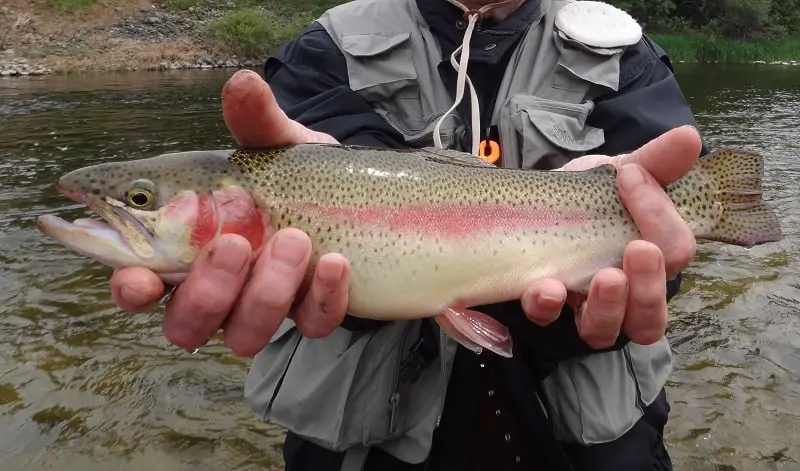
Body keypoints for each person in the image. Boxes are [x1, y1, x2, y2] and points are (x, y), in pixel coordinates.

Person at [109, 0, 705, 470]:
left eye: (139, 201)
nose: (135, 210)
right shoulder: (329, 46)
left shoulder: (623, 50)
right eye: (141, 202)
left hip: (581, 415)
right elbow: (326, 236)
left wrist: (654, 271)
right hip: (365, 430)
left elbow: (661, 233)